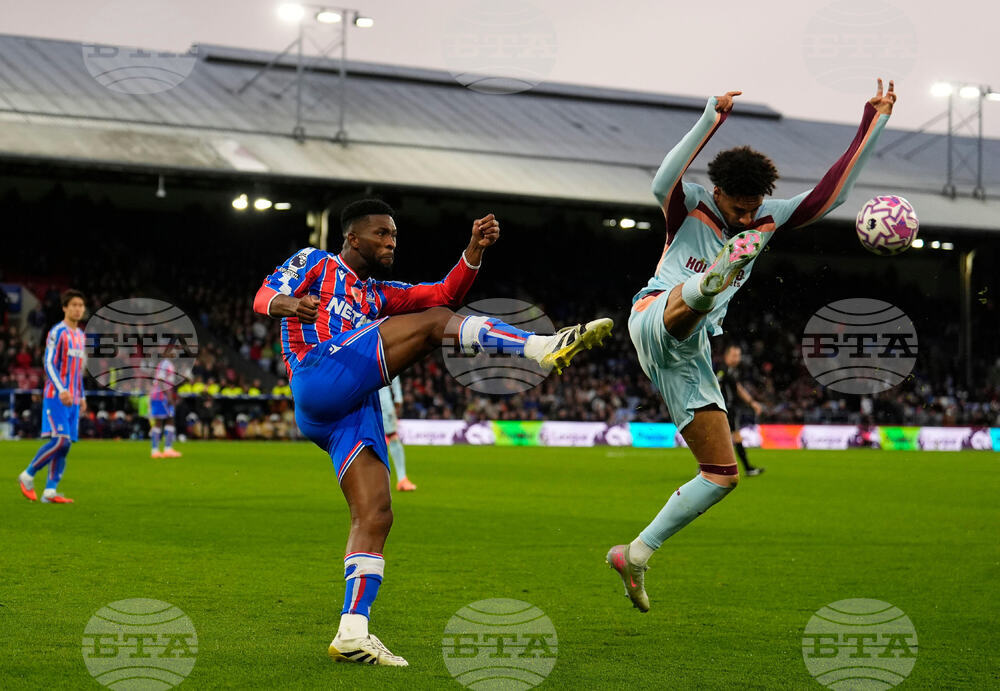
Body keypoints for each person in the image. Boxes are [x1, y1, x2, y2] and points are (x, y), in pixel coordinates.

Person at [252, 199, 611, 665]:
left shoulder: (378, 293)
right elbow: (263, 295)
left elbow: (445, 294)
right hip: (316, 373)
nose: (391, 242)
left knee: (376, 514)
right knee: (435, 328)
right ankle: (541, 347)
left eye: (395, 235)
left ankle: (352, 631)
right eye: (381, 234)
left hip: (349, 406)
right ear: (352, 237)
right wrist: (290, 304)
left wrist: (474, 250)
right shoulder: (316, 262)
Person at [606, 79, 896, 612]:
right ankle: (711, 280)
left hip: (690, 354)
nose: (745, 216)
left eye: (752, 208)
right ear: (718, 192)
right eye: (738, 207)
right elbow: (662, 179)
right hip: (655, 312)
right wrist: (709, 119)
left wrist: (871, 121)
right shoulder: (688, 204)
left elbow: (832, 195)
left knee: (721, 475)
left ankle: (637, 553)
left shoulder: (769, 216)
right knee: (688, 305)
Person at [18, 289, 88, 504]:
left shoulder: (81, 335)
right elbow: (48, 363)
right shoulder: (58, 332)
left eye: (81, 305)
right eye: (74, 305)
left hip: (74, 398)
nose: (78, 309)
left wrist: (82, 395)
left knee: (66, 445)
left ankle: (50, 492)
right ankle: (28, 474)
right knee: (61, 440)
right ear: (65, 308)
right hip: (57, 396)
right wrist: (61, 390)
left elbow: (78, 371)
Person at [716, 344, 764, 476]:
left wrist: (752, 403)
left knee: (718, 439)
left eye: (738, 355)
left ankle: (704, 469)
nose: (737, 358)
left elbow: (738, 388)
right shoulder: (723, 370)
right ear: (726, 356)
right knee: (736, 437)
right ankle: (748, 468)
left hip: (728, 409)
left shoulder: (733, 371)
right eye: (734, 355)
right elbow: (716, 387)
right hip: (725, 409)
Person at [379, 376, 415, 491]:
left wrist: (398, 397)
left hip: (383, 401)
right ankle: (401, 479)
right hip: (370, 401)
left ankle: (402, 479)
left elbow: (392, 372)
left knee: (392, 436)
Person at [149, 356, 181, 458]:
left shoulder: (169, 364)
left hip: (163, 395)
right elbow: (161, 381)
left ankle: (167, 448)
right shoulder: (165, 363)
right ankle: (155, 450)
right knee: (159, 421)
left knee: (169, 419)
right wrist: (169, 396)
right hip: (160, 396)